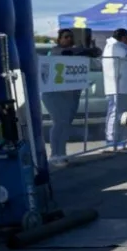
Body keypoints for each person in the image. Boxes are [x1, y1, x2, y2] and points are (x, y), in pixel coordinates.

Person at [41, 28, 84, 167]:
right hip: (53, 94)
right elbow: (63, 53)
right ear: (59, 39)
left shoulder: (75, 54)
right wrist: (79, 50)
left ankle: (62, 153)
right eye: (66, 37)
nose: (69, 39)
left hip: (71, 95)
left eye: (71, 36)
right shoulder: (54, 52)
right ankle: (54, 155)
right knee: (59, 122)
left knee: (65, 125)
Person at [101, 28, 127, 151]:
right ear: (123, 38)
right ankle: (111, 140)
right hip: (116, 87)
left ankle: (122, 138)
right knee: (114, 113)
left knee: (123, 114)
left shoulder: (122, 47)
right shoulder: (113, 46)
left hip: (124, 86)